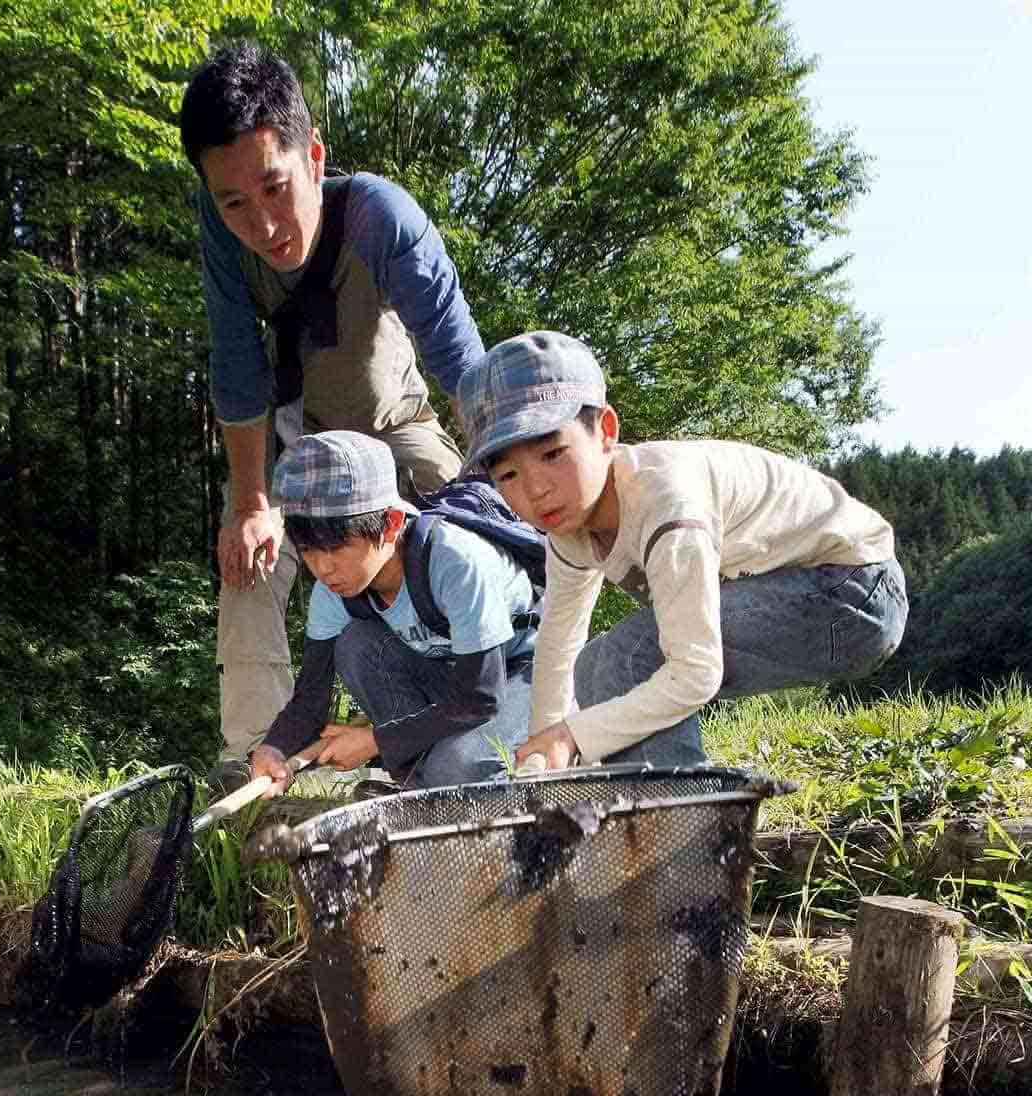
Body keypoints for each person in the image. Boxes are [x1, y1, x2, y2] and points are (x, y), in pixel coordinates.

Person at [179, 44, 485, 791]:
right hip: (297, 441)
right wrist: (252, 504)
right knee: (245, 558)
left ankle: (488, 727)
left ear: (313, 157)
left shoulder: (383, 218)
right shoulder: (222, 230)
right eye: (235, 203)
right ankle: (258, 762)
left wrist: (503, 478)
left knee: (480, 532)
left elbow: (462, 364)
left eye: (276, 188)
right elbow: (237, 367)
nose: (264, 223)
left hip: (392, 423)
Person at [455, 331, 909, 771]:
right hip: (802, 595)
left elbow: (695, 672)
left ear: (606, 431)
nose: (536, 490)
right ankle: (642, 818)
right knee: (592, 666)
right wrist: (542, 756)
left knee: (628, 657)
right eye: (508, 476)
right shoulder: (570, 528)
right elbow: (559, 641)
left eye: (553, 453)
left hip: (855, 593)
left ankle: (686, 832)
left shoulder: (667, 500)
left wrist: (571, 736)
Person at [248, 431, 538, 794]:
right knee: (356, 644)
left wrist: (375, 741)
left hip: (521, 677)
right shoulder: (332, 591)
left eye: (337, 546)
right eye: (308, 549)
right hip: (452, 681)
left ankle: (444, 786)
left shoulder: (454, 561)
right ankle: (419, 788)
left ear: (391, 525)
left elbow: (481, 695)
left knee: (456, 766)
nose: (323, 568)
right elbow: (311, 699)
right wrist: (275, 748)